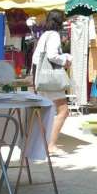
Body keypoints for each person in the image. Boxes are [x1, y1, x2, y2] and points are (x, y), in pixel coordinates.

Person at [31, 10, 72, 155]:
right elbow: (52, 55)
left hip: (41, 78)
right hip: (51, 79)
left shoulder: (44, 35)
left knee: (45, 113)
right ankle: (51, 145)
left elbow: (36, 58)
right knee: (63, 111)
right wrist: (66, 59)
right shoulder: (54, 35)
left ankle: (41, 144)